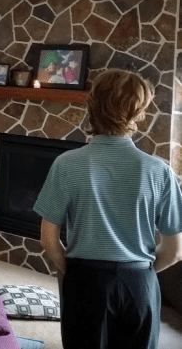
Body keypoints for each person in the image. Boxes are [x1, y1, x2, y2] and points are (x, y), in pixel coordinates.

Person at [34, 68, 182, 349]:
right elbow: (175, 251)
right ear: (138, 113)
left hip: (85, 281)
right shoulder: (159, 171)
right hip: (139, 283)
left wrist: (74, 273)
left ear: (92, 106)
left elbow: (48, 240)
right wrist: (141, 273)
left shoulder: (66, 164)